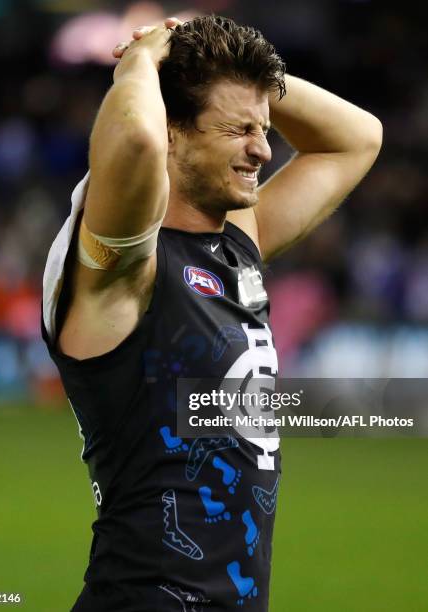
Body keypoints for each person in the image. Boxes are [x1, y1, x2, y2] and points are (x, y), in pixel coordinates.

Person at [41, 15, 382, 612]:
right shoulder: (120, 270)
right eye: (237, 129)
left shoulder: (234, 245)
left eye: (264, 127)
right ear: (173, 131)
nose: (263, 149)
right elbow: (136, 142)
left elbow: (358, 136)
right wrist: (143, 61)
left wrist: (233, 63)